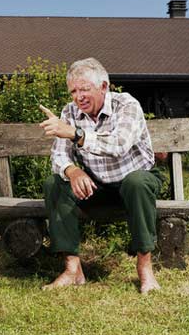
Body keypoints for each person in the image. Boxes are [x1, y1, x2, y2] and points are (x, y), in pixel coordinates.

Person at [39, 57, 164, 294]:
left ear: (104, 87)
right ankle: (73, 269)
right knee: (54, 183)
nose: (78, 97)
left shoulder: (126, 104)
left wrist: (76, 134)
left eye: (84, 89)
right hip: (97, 185)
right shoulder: (69, 111)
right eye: (73, 91)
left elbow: (119, 145)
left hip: (134, 183)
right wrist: (72, 170)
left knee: (136, 182)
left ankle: (145, 267)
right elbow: (58, 156)